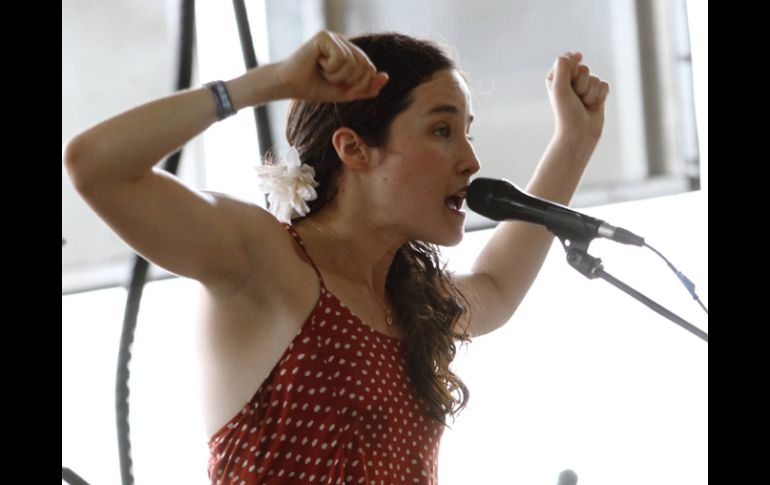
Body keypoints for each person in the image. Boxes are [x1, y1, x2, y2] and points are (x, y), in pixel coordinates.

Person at [64, 30, 608, 484]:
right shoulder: (269, 262)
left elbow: (495, 284)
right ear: (353, 149)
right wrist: (268, 84)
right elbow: (96, 166)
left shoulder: (412, 300)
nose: (471, 160)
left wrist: (575, 141)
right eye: (442, 131)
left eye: (467, 133)